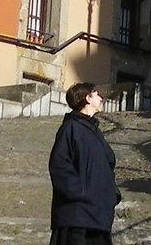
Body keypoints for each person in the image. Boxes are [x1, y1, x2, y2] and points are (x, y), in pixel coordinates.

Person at [48, 81, 119, 245]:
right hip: (76, 217)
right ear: (87, 98)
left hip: (99, 217)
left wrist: (112, 194)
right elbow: (59, 166)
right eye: (96, 93)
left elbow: (108, 165)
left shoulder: (95, 133)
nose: (101, 97)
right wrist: (81, 193)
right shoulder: (70, 128)